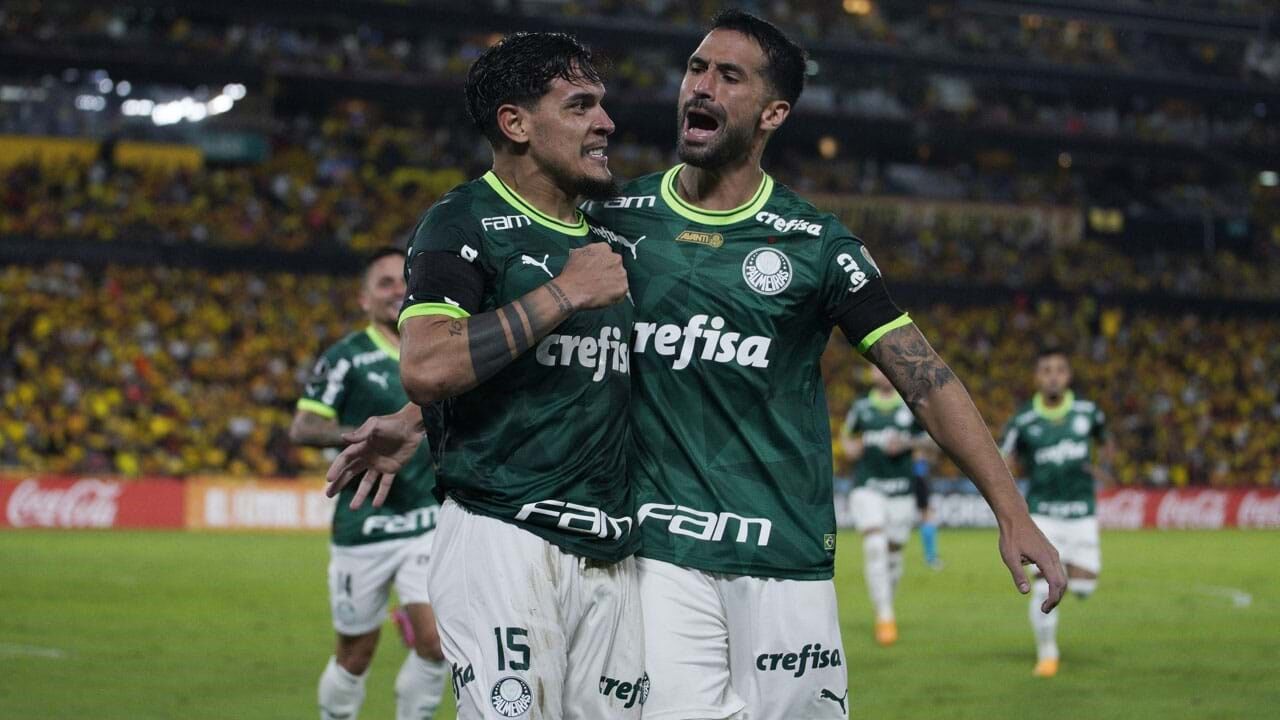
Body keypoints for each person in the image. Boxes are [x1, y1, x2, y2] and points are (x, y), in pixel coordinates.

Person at [587, 11, 1066, 718]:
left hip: (782, 554)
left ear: (773, 113)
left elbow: (926, 381)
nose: (702, 86)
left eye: (730, 76)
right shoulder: (614, 219)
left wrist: (1011, 510)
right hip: (656, 552)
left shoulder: (816, 245)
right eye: (695, 68)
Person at [325, 33, 646, 719]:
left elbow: (533, 370)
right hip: (504, 534)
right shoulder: (461, 221)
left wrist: (417, 421)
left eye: (601, 104)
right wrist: (564, 292)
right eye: (580, 105)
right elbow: (426, 363)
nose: (606, 122)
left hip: (609, 545)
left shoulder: (609, 236)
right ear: (516, 123)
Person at [290, 247, 448, 720]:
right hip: (364, 525)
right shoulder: (347, 357)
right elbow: (303, 426)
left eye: (403, 280)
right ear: (364, 299)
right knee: (355, 655)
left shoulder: (442, 348)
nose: (397, 290)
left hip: (427, 520)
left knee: (437, 644)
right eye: (385, 283)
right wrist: (365, 436)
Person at [1001, 347, 1116, 678]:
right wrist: (1011, 497)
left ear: (1068, 376)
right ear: (1037, 377)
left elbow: (1107, 443)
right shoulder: (1023, 420)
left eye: (1060, 370)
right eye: (1046, 370)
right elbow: (1003, 458)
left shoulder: (1088, 413)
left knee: (1083, 587)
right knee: (1044, 585)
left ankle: (1065, 572)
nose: (1053, 376)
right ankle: (1047, 654)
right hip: (1042, 514)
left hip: (1081, 513)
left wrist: (1103, 468)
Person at [840, 365, 933, 646]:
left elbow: (933, 439)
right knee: (874, 544)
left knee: (893, 553)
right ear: (870, 373)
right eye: (874, 368)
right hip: (868, 487)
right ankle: (885, 616)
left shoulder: (911, 404)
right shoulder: (861, 406)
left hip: (901, 491)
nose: (880, 372)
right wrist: (849, 448)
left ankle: (885, 605)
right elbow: (846, 436)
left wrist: (906, 444)